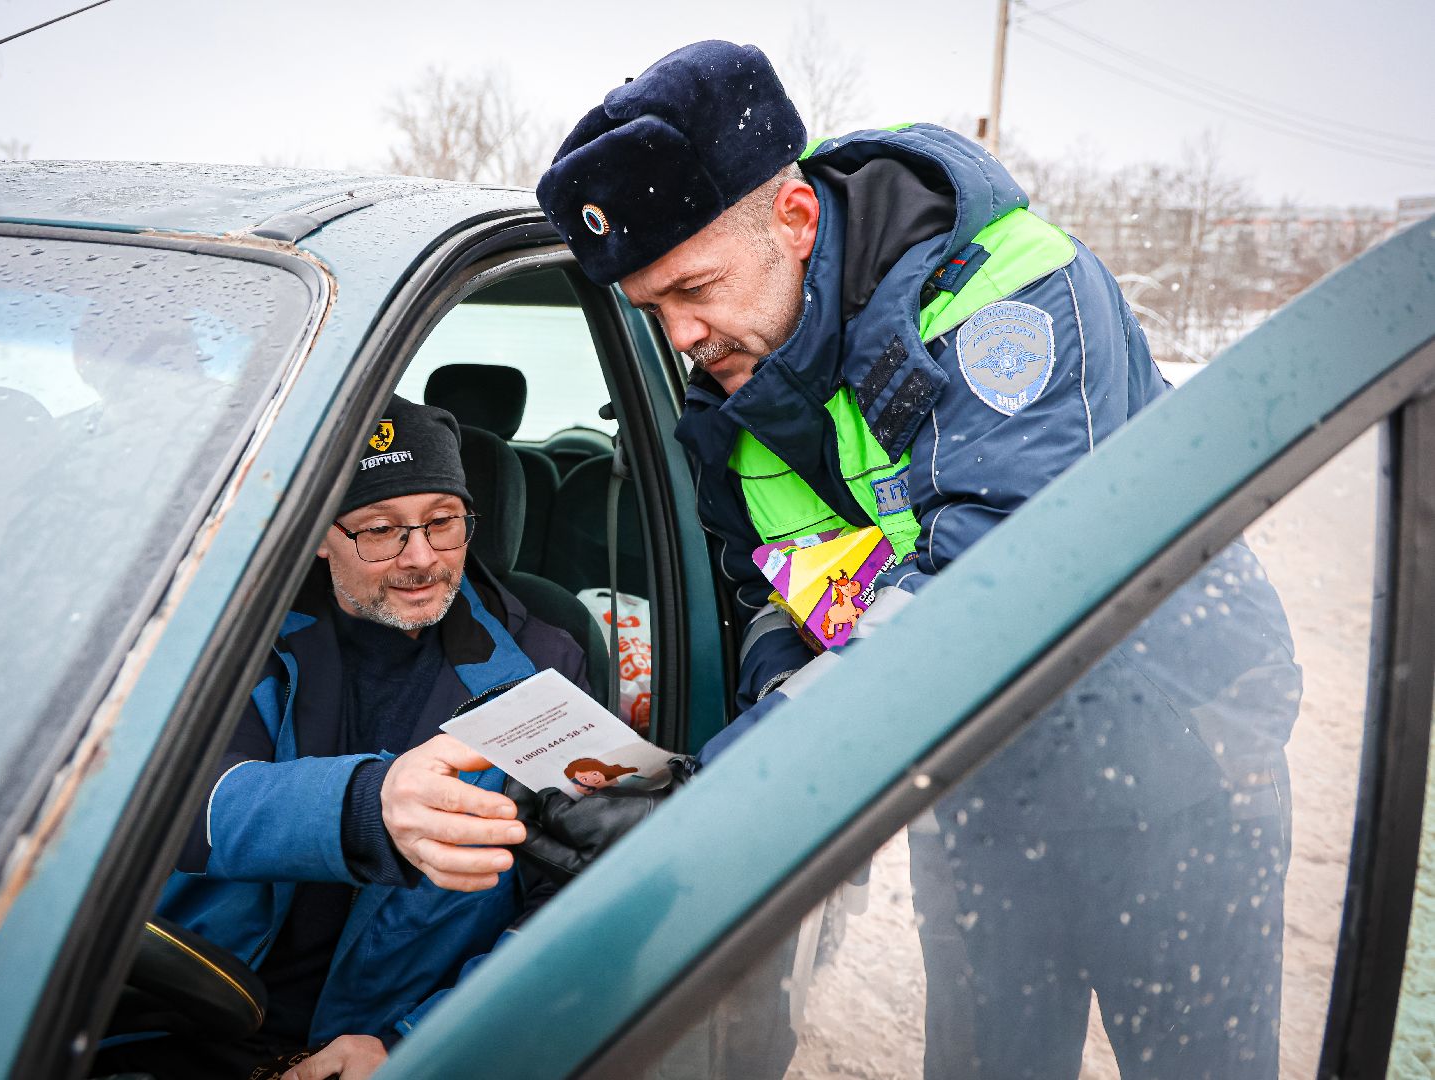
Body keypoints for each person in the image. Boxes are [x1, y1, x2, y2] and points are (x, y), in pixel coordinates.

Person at [530, 40, 1298, 1079]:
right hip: (980, 774)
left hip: (1176, 763)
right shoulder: (743, 390)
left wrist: (735, 787)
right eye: (652, 310)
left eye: (694, 288)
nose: (683, 336)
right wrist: (771, 697)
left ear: (795, 219)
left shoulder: (1011, 296)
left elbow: (990, 591)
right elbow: (777, 588)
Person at [92, 396, 589, 1080]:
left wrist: (416, 1041)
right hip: (187, 1020)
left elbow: (574, 896)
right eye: (381, 530)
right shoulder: (227, 638)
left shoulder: (542, 664)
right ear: (320, 532)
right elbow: (161, 803)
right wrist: (367, 806)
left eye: (443, 522)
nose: (422, 558)